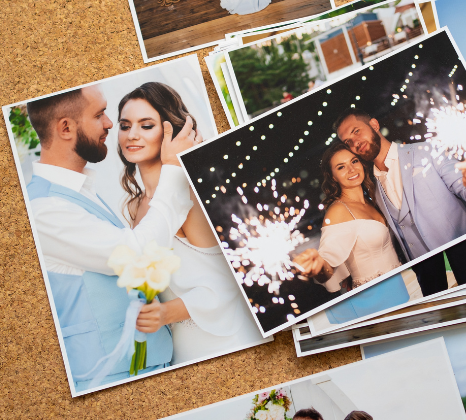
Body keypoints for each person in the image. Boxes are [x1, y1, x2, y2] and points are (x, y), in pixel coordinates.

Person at [25, 85, 196, 391]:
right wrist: (172, 171)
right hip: (111, 377)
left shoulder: (79, 193)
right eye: (99, 113)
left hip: (150, 364)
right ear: (66, 128)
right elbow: (134, 256)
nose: (109, 123)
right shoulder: (44, 208)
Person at [115, 82, 263, 364]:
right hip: (179, 348)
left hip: (224, 340)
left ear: (171, 131)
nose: (132, 135)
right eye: (125, 125)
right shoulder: (134, 206)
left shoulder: (189, 197)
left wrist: (166, 313)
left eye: (146, 125)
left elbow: (232, 278)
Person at [333, 108, 466, 297]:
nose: (355, 142)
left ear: (374, 125)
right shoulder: (374, 190)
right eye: (348, 142)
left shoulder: (426, 151)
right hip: (426, 272)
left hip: (464, 253)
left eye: (356, 131)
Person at [293, 142, 411, 321]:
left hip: (402, 284)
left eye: (354, 161)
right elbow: (328, 264)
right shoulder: (339, 211)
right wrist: (317, 266)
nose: (351, 169)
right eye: (341, 167)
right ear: (332, 176)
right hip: (376, 299)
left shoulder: (373, 198)